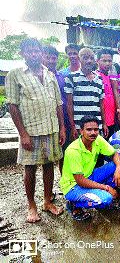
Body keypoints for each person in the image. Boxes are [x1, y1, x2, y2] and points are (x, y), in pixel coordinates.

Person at [5, 38, 65, 223]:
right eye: (29, 51)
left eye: (36, 50)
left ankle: (47, 201)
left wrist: (62, 127)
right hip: (30, 131)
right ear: (22, 54)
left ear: (40, 52)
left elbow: (58, 104)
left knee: (49, 166)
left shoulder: (50, 74)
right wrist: (23, 134)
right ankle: (32, 206)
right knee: (29, 168)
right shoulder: (15, 74)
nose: (34, 54)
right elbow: (13, 106)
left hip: (51, 128)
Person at [60, 116, 120, 221]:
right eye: (89, 130)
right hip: (73, 186)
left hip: (89, 176)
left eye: (95, 129)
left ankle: (99, 192)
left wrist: (118, 169)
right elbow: (80, 181)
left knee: (119, 165)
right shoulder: (73, 150)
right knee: (106, 199)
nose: (93, 133)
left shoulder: (97, 139)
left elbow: (115, 154)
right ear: (81, 131)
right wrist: (106, 188)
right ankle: (74, 204)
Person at [64, 48, 108, 140]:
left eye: (91, 58)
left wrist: (104, 124)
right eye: (85, 58)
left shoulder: (99, 79)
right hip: (80, 127)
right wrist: (73, 127)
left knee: (95, 152)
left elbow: (101, 104)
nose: (89, 61)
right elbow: (69, 104)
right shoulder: (71, 77)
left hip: (96, 126)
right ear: (79, 59)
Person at [42, 45, 71, 172]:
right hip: (46, 119)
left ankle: (64, 180)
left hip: (63, 118)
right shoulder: (39, 76)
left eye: (53, 58)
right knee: (46, 157)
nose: (51, 61)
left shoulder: (62, 77)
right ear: (42, 57)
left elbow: (67, 99)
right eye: (47, 57)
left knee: (64, 151)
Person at [96, 49, 117, 138]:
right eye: (104, 61)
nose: (107, 63)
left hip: (112, 119)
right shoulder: (96, 77)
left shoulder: (109, 77)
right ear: (97, 61)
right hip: (101, 121)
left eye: (109, 61)